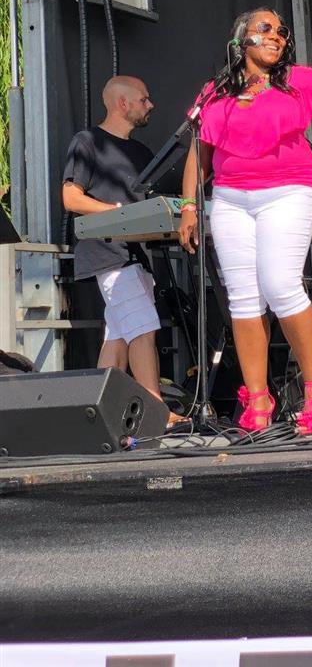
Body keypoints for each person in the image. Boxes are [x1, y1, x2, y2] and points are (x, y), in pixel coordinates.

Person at [180, 7, 312, 434]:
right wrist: (189, 206)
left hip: (289, 189)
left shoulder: (298, 79)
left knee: (280, 284)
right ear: (240, 38)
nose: (277, 35)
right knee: (244, 298)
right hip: (229, 198)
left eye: (282, 31)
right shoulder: (216, 91)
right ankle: (258, 399)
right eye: (265, 28)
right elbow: (198, 153)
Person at [61, 76, 184, 425]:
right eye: (144, 99)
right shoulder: (88, 142)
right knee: (143, 328)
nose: (151, 105)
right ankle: (157, 411)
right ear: (122, 103)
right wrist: (115, 213)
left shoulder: (142, 153)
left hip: (137, 255)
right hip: (107, 253)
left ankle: (95, 416)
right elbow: (71, 198)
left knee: (117, 338)